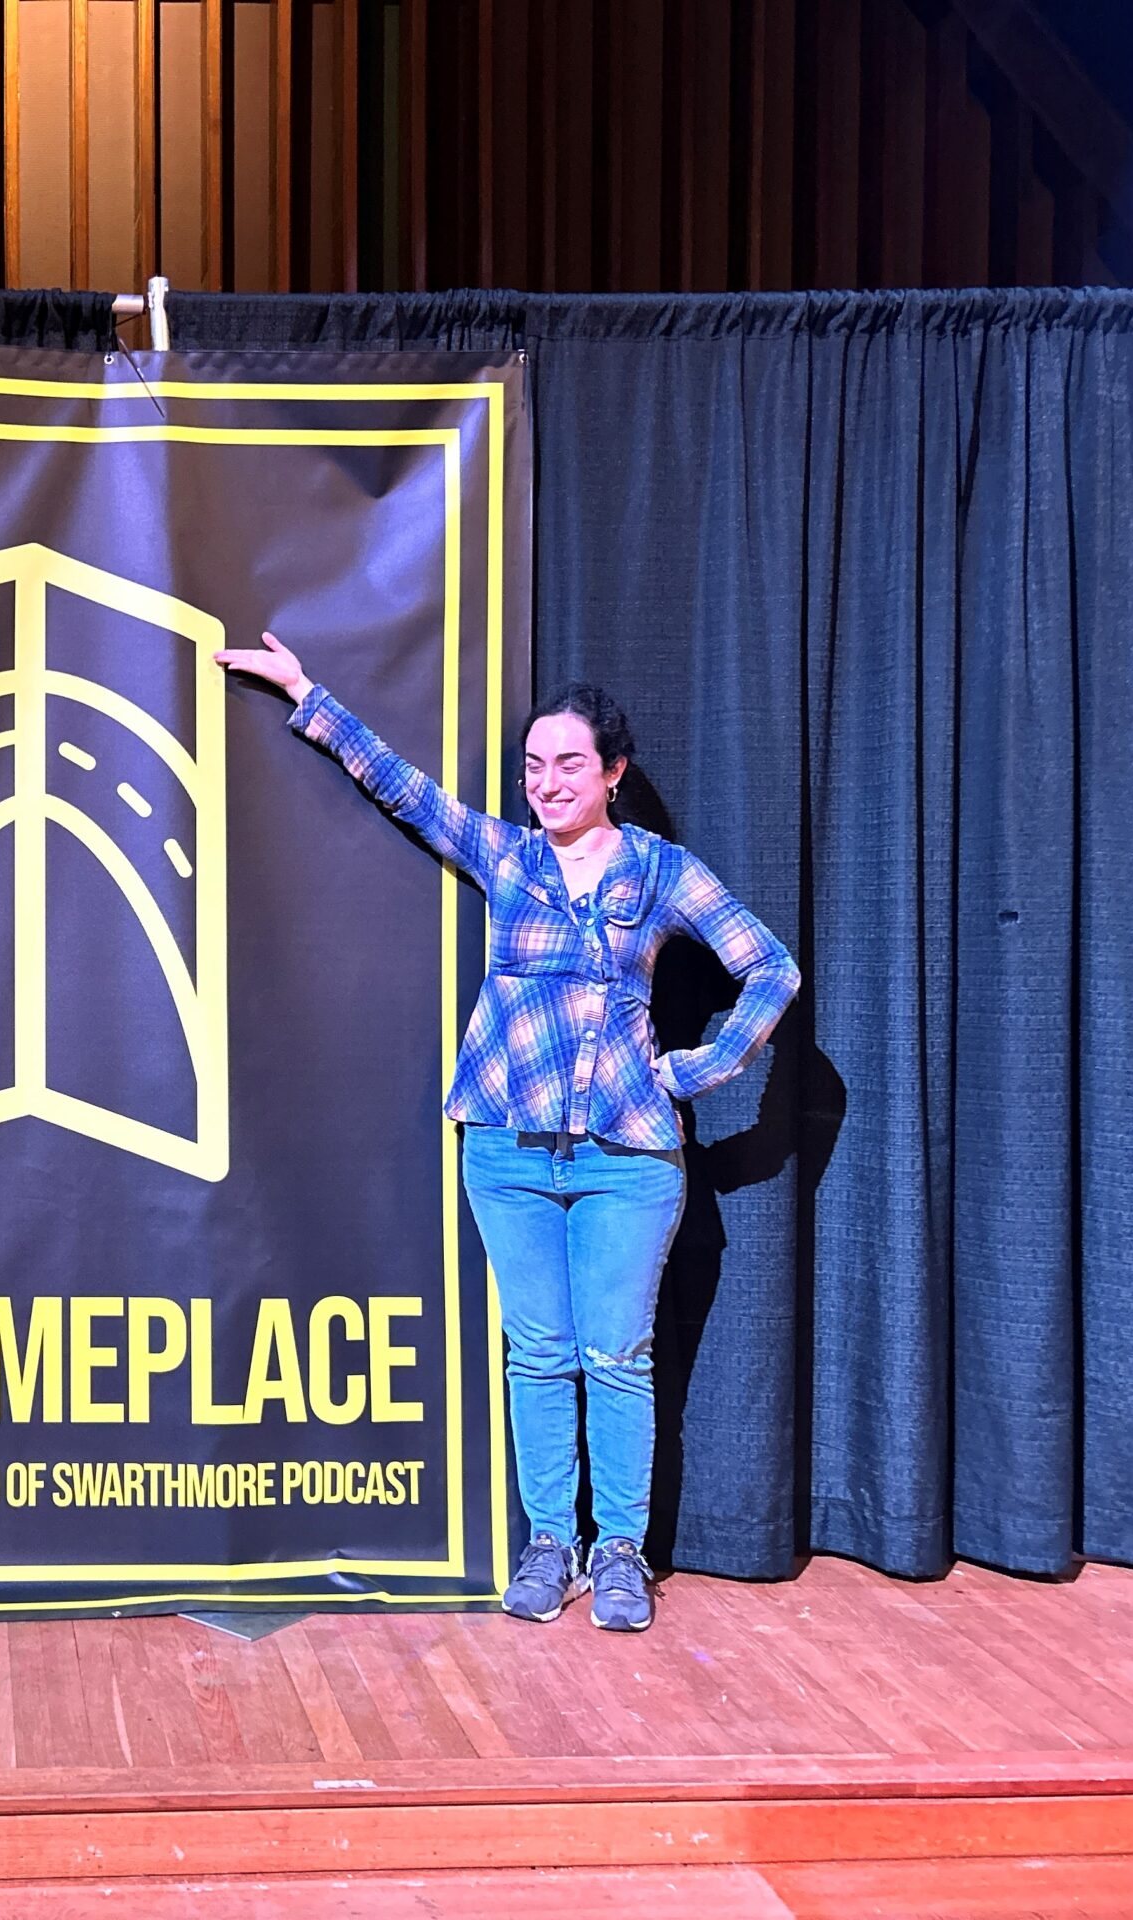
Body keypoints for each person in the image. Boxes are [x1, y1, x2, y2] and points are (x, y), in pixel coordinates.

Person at [213, 632, 798, 1632]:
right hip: (507, 1150)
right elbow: (406, 792)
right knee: (537, 1354)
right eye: (533, 765)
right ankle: (548, 1546)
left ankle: (619, 1552)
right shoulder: (511, 857)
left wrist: (698, 1070)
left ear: (613, 772)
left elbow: (769, 969)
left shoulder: (657, 873)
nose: (547, 782)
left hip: (628, 1158)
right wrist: (307, 693)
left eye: (569, 763)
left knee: (615, 1356)